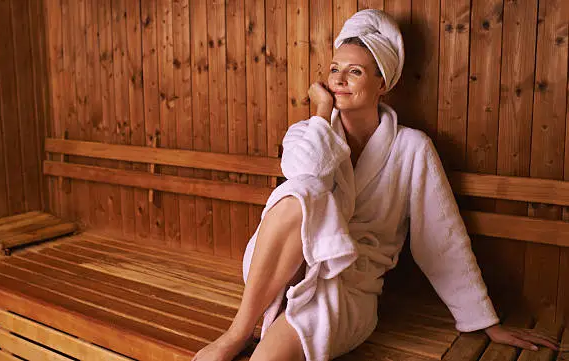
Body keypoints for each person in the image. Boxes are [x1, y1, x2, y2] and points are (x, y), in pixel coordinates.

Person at [193, 9, 559, 361]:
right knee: (297, 195)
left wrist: (486, 322)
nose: (338, 80)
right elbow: (305, 178)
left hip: (346, 292)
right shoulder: (308, 132)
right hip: (280, 275)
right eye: (334, 69)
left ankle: (271, 330)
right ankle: (236, 333)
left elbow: (442, 238)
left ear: (382, 83)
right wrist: (321, 113)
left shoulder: (411, 149)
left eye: (354, 72)